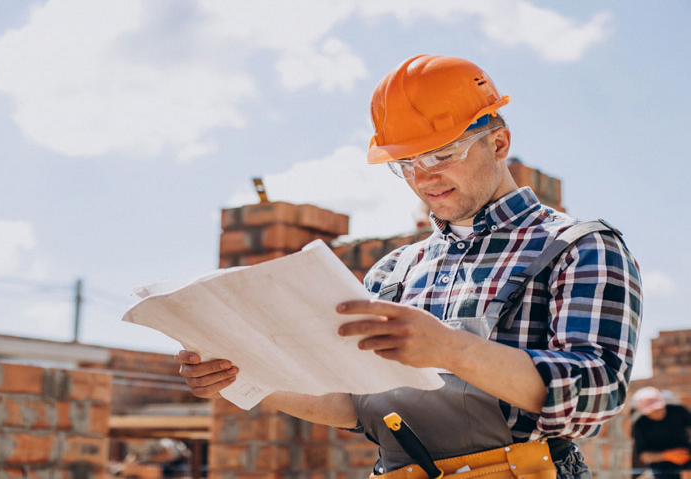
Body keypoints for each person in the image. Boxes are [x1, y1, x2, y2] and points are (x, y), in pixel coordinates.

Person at [176, 55, 642, 478]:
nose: (424, 177)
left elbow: (594, 393)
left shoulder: (579, 247)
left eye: (443, 154)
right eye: (407, 163)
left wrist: (450, 349)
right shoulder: (395, 270)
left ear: (498, 143)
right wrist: (244, 377)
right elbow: (357, 405)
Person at [632, 387, 691, 479]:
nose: (657, 412)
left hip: (687, 458)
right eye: (653, 411)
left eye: (659, 408)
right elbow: (644, 456)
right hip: (661, 468)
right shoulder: (640, 424)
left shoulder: (678, 411)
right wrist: (668, 455)